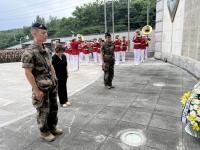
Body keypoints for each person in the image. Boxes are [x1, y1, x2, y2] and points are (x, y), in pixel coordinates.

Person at [21, 23, 63, 142]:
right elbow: (28, 73)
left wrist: (55, 78)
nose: (46, 35)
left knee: (54, 107)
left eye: (46, 32)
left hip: (51, 84)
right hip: (41, 87)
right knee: (43, 110)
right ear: (34, 33)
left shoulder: (47, 50)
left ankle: (52, 127)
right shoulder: (29, 52)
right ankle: (44, 132)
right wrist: (36, 90)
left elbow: (50, 65)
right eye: (42, 33)